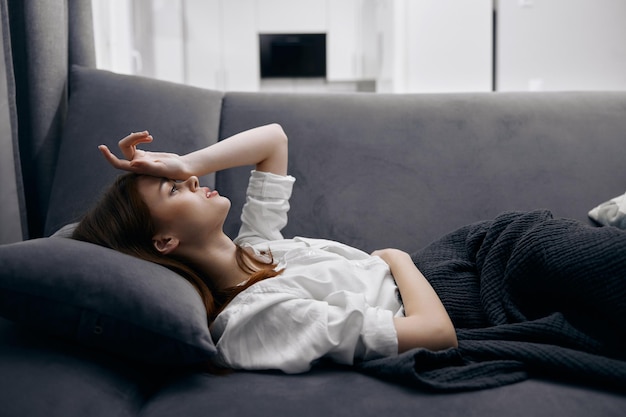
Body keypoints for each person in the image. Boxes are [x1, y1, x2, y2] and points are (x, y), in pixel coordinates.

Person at [72, 124, 458, 373]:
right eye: (173, 188)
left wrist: (185, 161)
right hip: (452, 293)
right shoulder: (258, 315)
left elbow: (274, 139)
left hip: (457, 263)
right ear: (165, 241)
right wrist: (397, 257)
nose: (190, 179)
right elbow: (437, 333)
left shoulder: (256, 247)